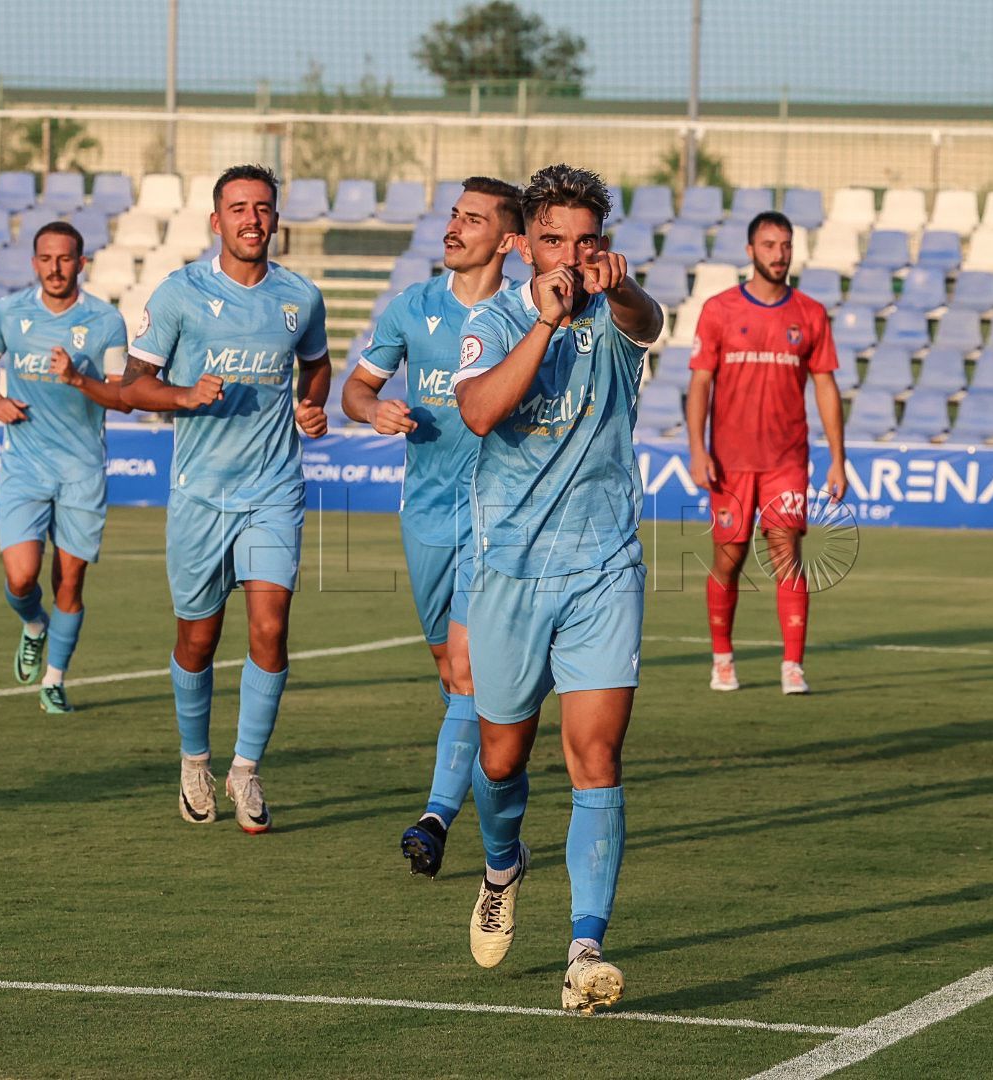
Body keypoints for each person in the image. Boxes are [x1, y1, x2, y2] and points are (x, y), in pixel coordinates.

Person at [452, 163, 663, 1013]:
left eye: (586, 243)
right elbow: (477, 411)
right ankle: (503, 865)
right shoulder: (496, 316)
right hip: (508, 574)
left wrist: (626, 287)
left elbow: (646, 322)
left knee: (596, 757)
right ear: (521, 244)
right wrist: (541, 324)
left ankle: (585, 948)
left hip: (603, 569)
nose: (570, 258)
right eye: (552, 241)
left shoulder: (620, 317)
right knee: (500, 760)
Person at [120, 165, 331, 832]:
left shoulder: (301, 297)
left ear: (275, 220)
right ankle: (194, 760)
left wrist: (312, 403)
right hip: (199, 497)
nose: (251, 218)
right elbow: (132, 385)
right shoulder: (181, 293)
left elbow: (318, 364)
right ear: (216, 221)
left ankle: (245, 770)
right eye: (237, 207)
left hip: (273, 491)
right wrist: (183, 397)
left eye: (262, 207)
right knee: (198, 639)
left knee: (270, 631)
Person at [341, 176, 522, 879]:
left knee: (469, 671)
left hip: (499, 514)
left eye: (473, 219)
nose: (454, 227)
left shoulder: (522, 314)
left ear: (507, 241)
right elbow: (357, 387)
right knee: (452, 673)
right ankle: (494, 801)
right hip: (425, 512)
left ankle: (435, 817)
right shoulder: (412, 307)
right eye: (453, 214)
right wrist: (372, 411)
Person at [685, 211, 847, 696]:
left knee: (786, 556)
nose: (779, 253)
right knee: (729, 558)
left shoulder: (810, 314)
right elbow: (700, 385)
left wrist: (838, 457)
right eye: (770, 244)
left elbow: (826, 386)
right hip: (730, 460)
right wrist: (697, 449)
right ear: (750, 250)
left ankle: (792, 666)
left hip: (786, 460)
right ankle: (723, 659)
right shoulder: (719, 310)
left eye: (786, 244)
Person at [0, 221, 129, 714]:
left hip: (81, 469)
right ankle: (34, 624)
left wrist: (77, 378)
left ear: (81, 264)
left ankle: (55, 680)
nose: (55, 268)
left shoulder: (106, 321)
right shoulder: (9, 311)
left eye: (65, 259)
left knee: (70, 581)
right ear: (34, 262)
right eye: (46, 258)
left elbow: (122, 396)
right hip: (24, 462)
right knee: (22, 579)